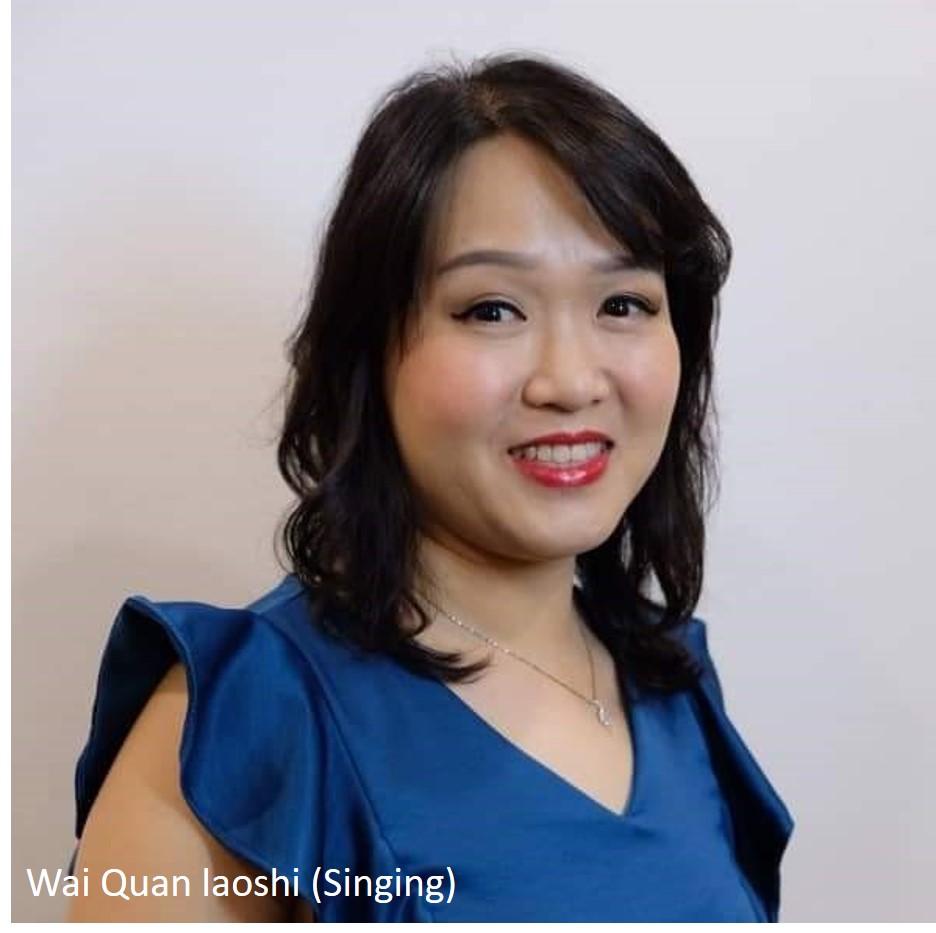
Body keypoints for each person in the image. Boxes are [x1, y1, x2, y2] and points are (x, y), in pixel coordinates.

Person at [67, 52, 793, 922]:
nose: (570, 380)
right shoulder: (236, 726)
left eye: (623, 304)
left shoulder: (677, 685)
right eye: (492, 309)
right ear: (369, 354)